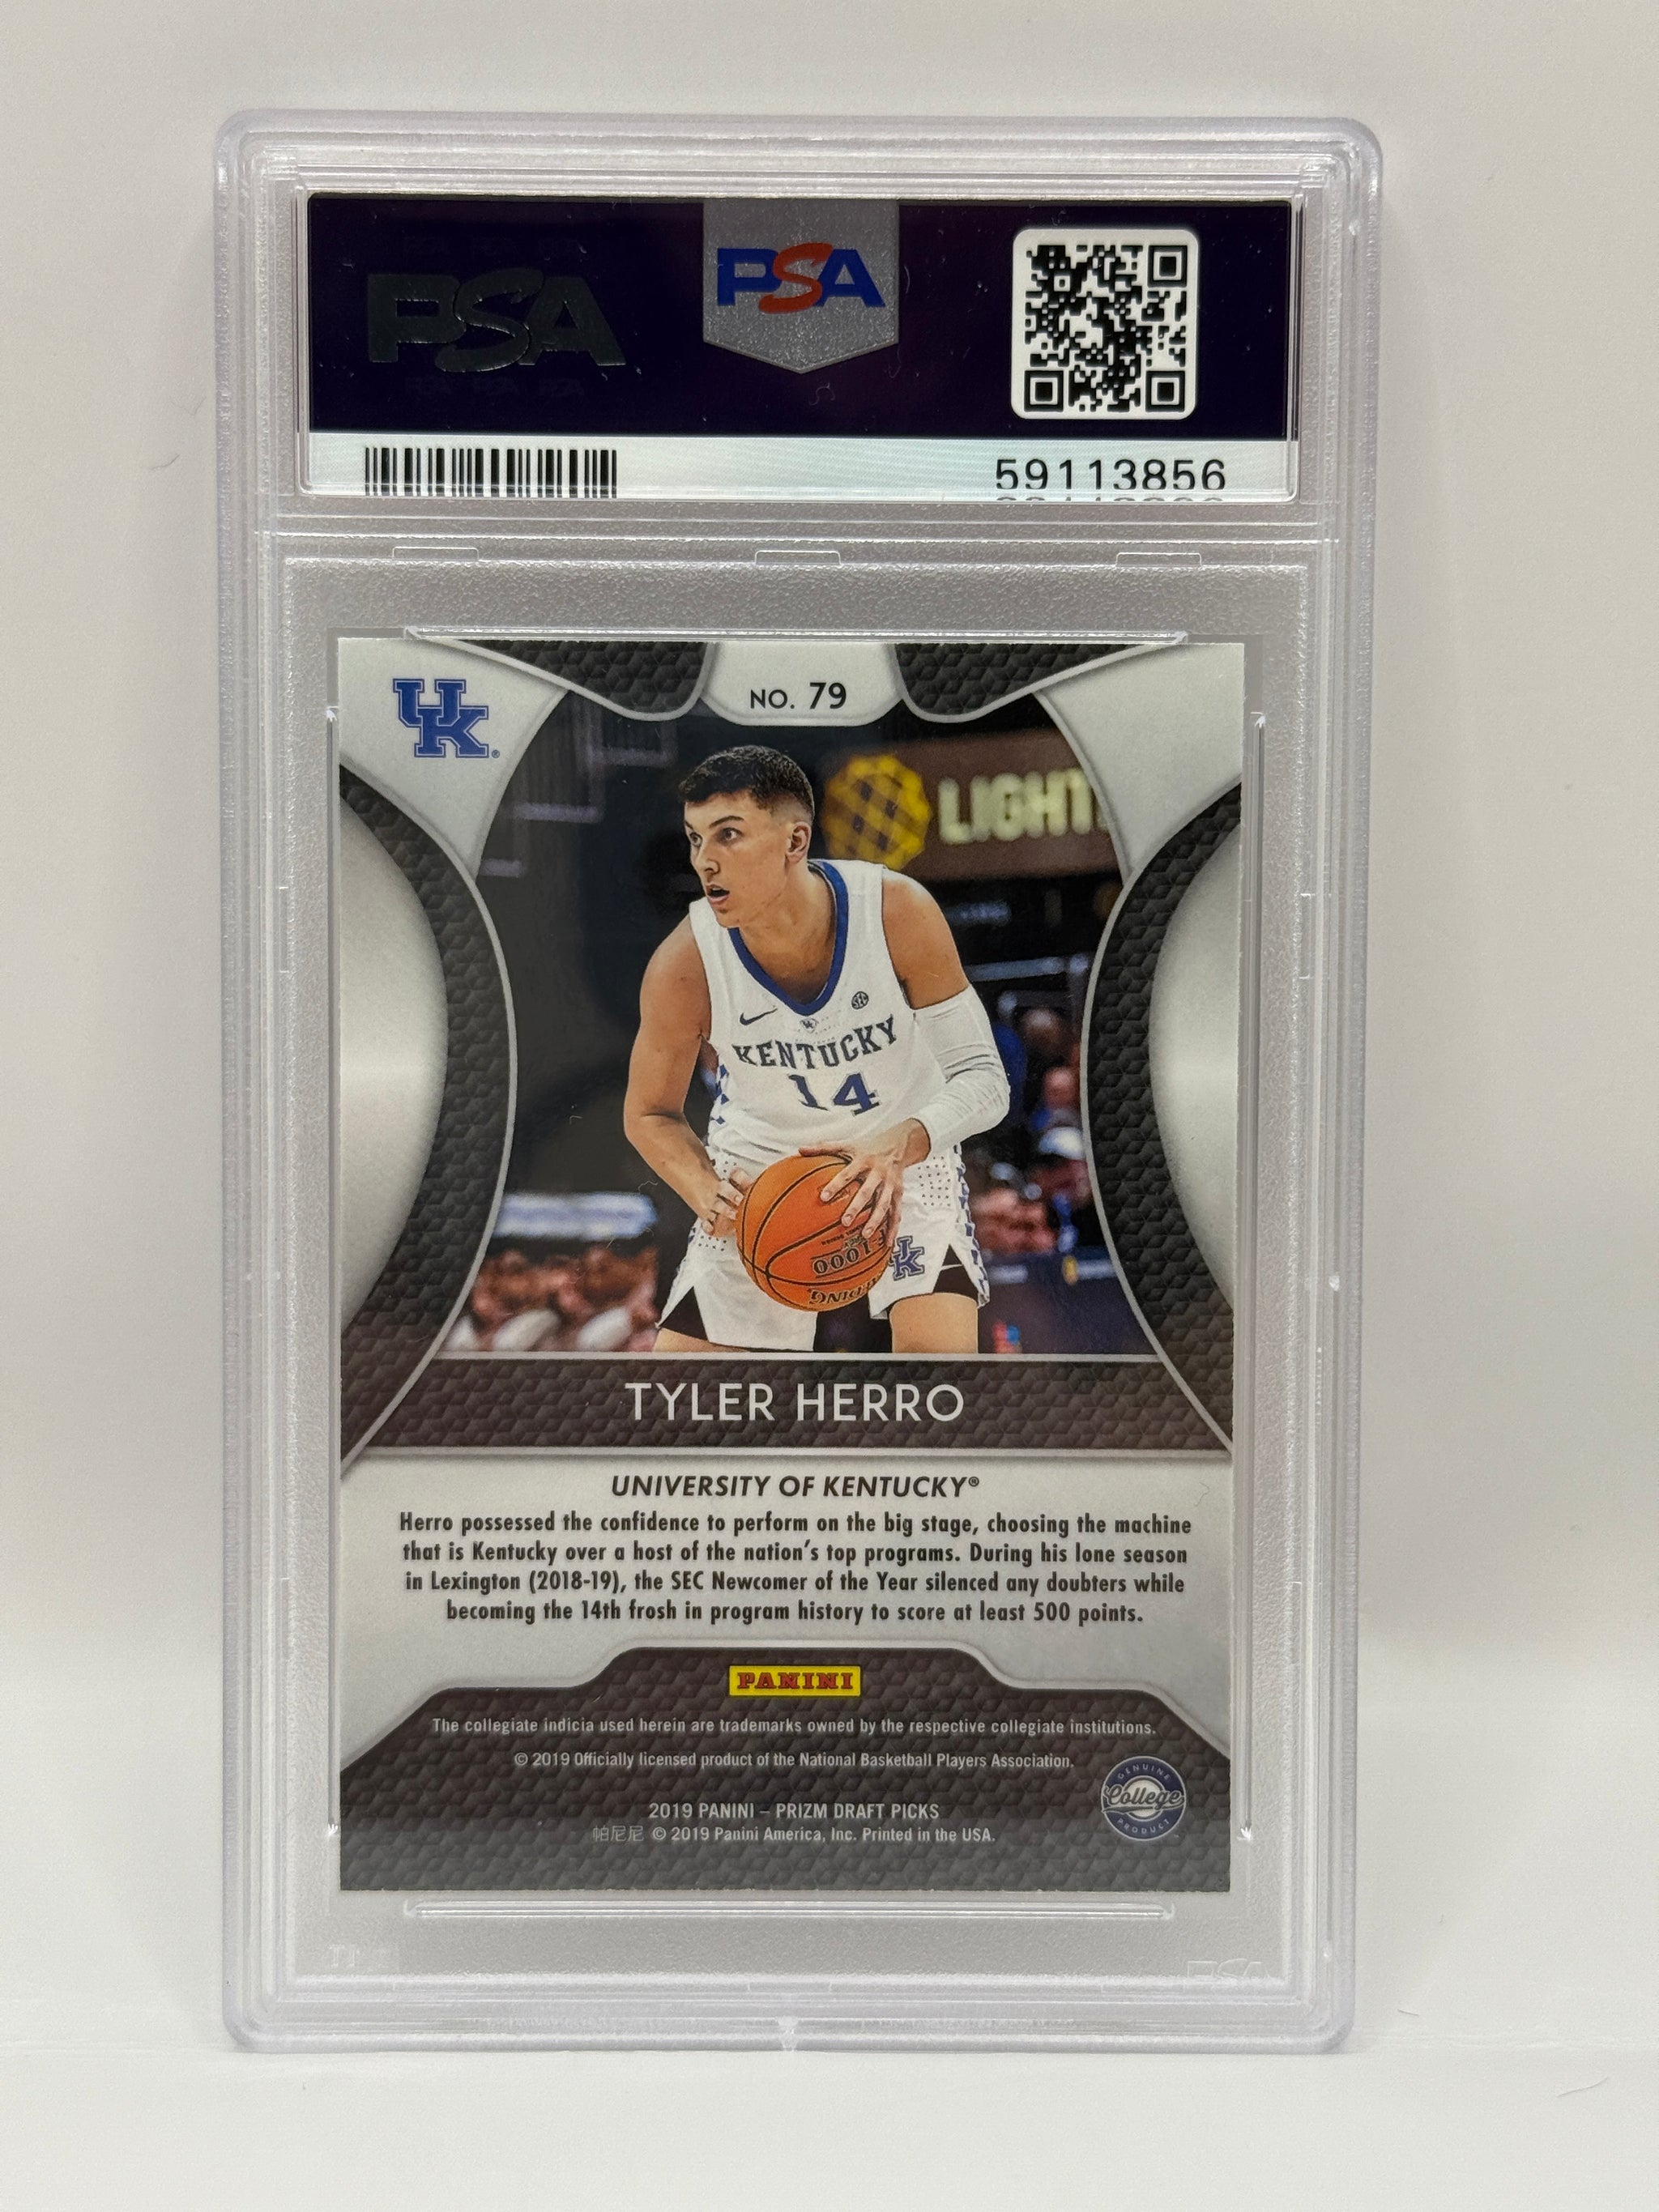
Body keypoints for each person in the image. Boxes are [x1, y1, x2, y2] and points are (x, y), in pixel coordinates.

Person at [624, 745, 1009, 1353]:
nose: (705, 860)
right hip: (760, 1176)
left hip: (900, 1159)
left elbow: (984, 1078)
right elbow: (649, 1113)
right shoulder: (685, 963)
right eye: (696, 839)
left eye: (728, 835)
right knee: (681, 1399)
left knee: (938, 1387)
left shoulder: (896, 911)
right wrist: (705, 1188)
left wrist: (901, 1144)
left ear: (795, 840)